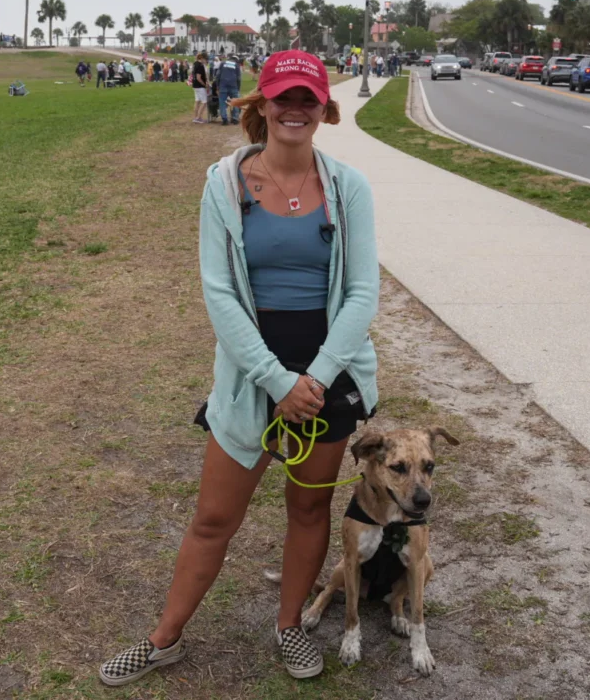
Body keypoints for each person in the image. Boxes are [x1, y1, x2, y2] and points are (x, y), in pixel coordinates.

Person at [98, 49, 379, 686]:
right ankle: (164, 638)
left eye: (308, 99)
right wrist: (279, 383)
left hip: (326, 377)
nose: (295, 110)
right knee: (214, 518)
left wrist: (315, 379)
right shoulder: (222, 184)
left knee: (308, 511)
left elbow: (362, 292)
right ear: (261, 104)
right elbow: (218, 292)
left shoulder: (348, 188)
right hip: (253, 374)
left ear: (325, 109)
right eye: (283, 98)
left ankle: (290, 629)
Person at [217, 55, 242, 125]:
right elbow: (239, 78)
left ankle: (224, 119)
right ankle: (235, 118)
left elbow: (218, 75)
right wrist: (238, 88)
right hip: (233, 86)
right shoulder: (236, 65)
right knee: (235, 102)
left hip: (223, 85)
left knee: (222, 102)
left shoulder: (222, 63)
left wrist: (217, 85)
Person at [191, 52, 209, 124]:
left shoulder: (195, 64)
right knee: (204, 102)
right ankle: (198, 117)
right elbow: (199, 77)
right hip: (200, 86)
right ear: (202, 58)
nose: (206, 61)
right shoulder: (200, 65)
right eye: (205, 59)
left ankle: (196, 117)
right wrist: (204, 84)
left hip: (195, 85)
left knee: (197, 101)